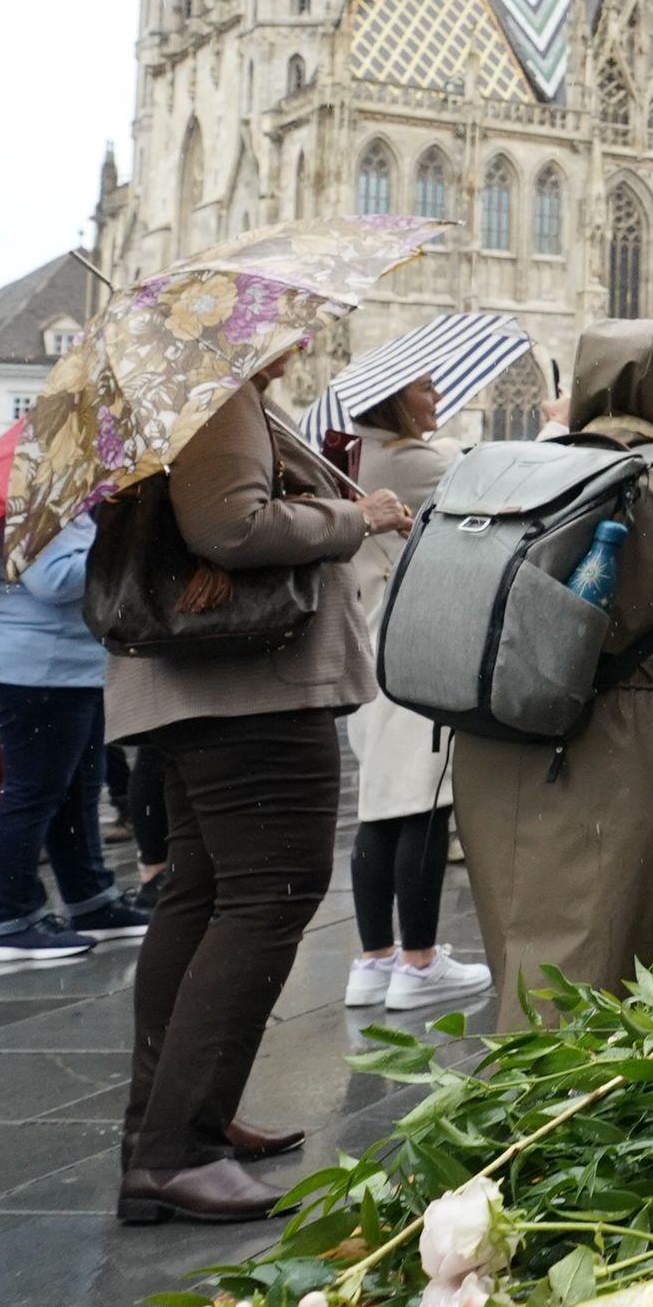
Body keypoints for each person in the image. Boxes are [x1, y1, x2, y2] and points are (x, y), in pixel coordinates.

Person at [112, 355, 416, 1224]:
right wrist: (350, 513)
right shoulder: (218, 399)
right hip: (250, 687)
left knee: (203, 892)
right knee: (267, 893)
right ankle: (177, 1148)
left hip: (216, 687)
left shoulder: (208, 398)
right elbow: (228, 527)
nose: (302, 334)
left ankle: (164, 1123)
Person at [451, 321, 653, 1029]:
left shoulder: (520, 464)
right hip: (623, 746)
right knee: (608, 973)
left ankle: (513, 1111)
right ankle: (566, 1123)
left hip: (495, 735)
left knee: (522, 951)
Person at [338, 378, 490, 1013]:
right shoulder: (412, 459)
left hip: (369, 646)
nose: (436, 402)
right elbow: (490, 494)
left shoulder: (355, 456)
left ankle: (376, 960)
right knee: (426, 804)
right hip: (413, 642)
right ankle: (420, 962)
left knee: (380, 807)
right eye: (426, 393)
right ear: (396, 399)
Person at [0, 506, 145, 962]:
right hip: (34, 668)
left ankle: (92, 901)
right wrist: (124, 542)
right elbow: (56, 581)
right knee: (33, 794)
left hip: (66, 668)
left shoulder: (61, 505)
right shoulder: (32, 504)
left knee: (77, 793)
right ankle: (15, 921)